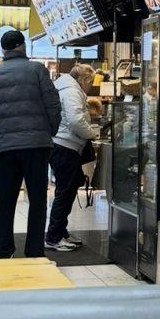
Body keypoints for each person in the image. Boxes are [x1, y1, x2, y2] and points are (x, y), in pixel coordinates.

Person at [0, 30, 60, 258]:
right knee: (37, 200)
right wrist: (48, 131)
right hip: (36, 146)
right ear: (23, 46)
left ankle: (4, 250)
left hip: (5, 148)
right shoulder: (37, 70)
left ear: (3, 50)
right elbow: (53, 105)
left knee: (5, 201)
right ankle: (34, 251)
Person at [45, 63, 97, 251]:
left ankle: (60, 231)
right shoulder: (72, 91)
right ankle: (53, 237)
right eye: (90, 82)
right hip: (66, 145)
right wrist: (91, 133)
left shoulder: (63, 87)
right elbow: (76, 120)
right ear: (84, 79)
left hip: (61, 144)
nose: (90, 86)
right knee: (65, 191)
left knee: (68, 187)